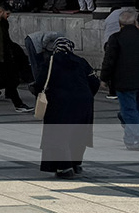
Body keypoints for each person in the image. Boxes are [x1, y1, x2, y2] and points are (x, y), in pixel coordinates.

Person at [35, 37, 99, 178]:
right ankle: (76, 164)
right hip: (83, 103)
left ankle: (64, 167)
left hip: (59, 104)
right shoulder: (81, 62)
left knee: (58, 135)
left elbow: (40, 83)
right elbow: (95, 82)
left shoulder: (50, 62)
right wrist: (85, 95)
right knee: (79, 133)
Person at [100, 8, 139, 151]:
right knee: (137, 111)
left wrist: (104, 78)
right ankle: (129, 139)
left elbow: (109, 60)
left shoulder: (116, 38)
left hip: (125, 81)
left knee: (130, 111)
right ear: (136, 22)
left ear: (119, 24)